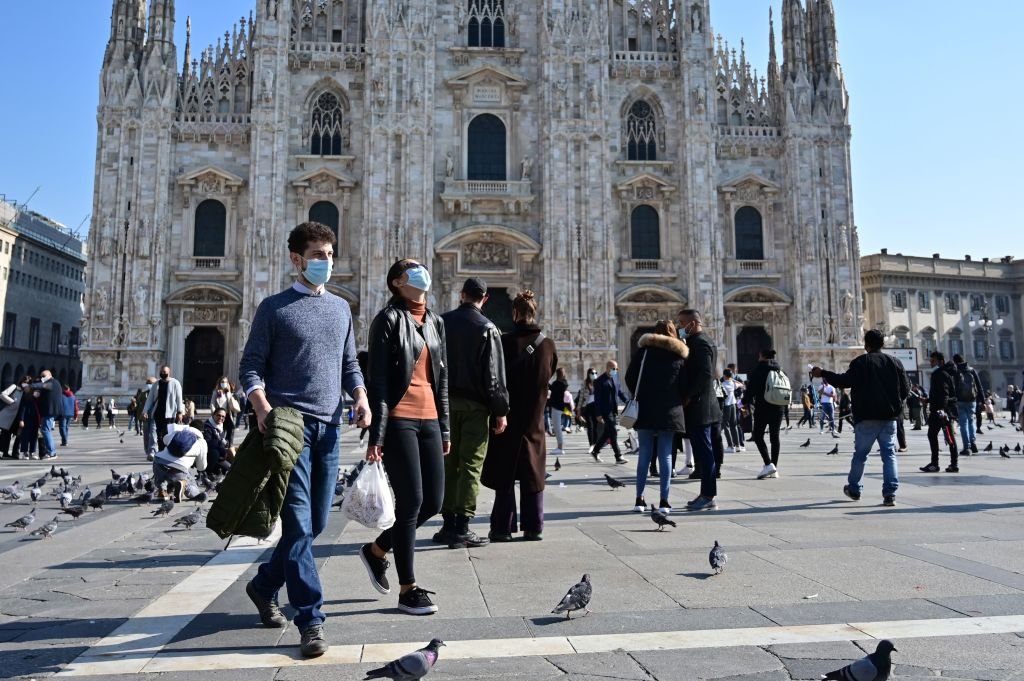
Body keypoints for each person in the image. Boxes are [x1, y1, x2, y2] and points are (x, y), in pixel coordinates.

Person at [239, 221, 369, 657]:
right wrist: (262, 408)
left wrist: (361, 397)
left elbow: (349, 363)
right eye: (317, 255)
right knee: (297, 525)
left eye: (330, 255)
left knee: (313, 524)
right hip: (289, 428)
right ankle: (311, 619)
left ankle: (263, 585)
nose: (325, 262)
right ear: (296, 259)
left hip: (329, 429)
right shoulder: (273, 309)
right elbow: (251, 367)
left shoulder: (340, 309)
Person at [362, 258, 449, 617]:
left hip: (429, 419)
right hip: (399, 420)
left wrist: (445, 426)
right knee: (411, 501)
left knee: (434, 502)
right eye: (411, 270)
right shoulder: (387, 320)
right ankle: (407, 589)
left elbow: (442, 379)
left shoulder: (435, 322)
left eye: (421, 268)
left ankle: (377, 550)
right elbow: (378, 380)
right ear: (397, 282)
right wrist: (376, 436)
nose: (420, 273)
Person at [436, 277, 509, 549]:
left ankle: (446, 524)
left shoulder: (440, 323)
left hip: (444, 407)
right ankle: (462, 526)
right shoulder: (488, 328)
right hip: (476, 408)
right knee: (470, 466)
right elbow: (494, 377)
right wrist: (500, 410)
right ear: (485, 298)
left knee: (448, 464)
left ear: (461, 294)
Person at [482, 290, 557, 541]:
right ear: (534, 312)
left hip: (507, 416)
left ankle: (502, 527)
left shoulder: (503, 343)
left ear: (514, 313)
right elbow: (551, 372)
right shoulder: (547, 344)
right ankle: (534, 526)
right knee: (533, 471)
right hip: (534, 417)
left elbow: (493, 377)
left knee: (505, 472)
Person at [812, 329, 909, 506]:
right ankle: (890, 494)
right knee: (889, 455)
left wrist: (824, 373)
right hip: (889, 417)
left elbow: (844, 381)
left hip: (867, 417)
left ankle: (855, 489)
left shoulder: (861, 362)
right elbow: (905, 390)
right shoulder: (895, 362)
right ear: (883, 344)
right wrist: (894, 405)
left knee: (861, 455)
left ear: (866, 344)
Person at [624, 320, 688, 514]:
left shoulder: (643, 353)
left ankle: (639, 500)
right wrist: (678, 397)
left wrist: (641, 393)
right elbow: (686, 382)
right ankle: (664, 501)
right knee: (666, 454)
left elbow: (629, 377)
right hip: (670, 409)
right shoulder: (678, 355)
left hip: (645, 408)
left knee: (644, 453)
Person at [676, 309, 722, 511]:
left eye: (682, 323)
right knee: (704, 453)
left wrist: (689, 396)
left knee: (704, 453)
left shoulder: (700, 343)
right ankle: (706, 494)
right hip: (705, 405)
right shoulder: (703, 341)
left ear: (692, 324)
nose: (680, 327)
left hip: (700, 407)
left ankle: (708, 495)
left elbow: (704, 374)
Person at [746, 349, 786, 480]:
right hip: (778, 407)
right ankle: (774, 468)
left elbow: (751, 389)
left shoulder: (759, 370)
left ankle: (768, 464)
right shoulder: (780, 370)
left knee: (757, 435)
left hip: (763, 407)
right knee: (775, 437)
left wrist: (743, 402)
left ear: (762, 356)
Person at [920, 351, 960, 473]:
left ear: (940, 361)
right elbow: (942, 393)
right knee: (948, 437)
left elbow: (944, 394)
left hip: (941, 411)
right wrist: (928, 399)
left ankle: (936, 464)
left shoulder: (940, 373)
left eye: (933, 361)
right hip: (945, 409)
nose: (931, 363)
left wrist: (941, 410)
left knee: (937, 436)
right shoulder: (949, 372)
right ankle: (952, 464)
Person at [152, 423, 209, 502]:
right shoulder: (202, 442)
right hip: (179, 467)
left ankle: (163, 489)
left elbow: (165, 439)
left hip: (158, 461)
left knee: (163, 479)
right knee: (191, 484)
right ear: (202, 432)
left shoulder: (177, 433)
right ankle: (183, 483)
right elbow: (201, 467)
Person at [590, 361, 629, 464]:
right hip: (605, 411)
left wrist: (627, 401)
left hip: (613, 411)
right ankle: (618, 456)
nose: (615, 371)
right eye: (613, 368)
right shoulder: (599, 381)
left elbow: (619, 392)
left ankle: (595, 451)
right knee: (613, 432)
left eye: (616, 369)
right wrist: (598, 414)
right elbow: (597, 399)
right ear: (607, 368)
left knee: (608, 433)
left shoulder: (615, 379)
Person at [951, 354, 983, 456]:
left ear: (955, 362)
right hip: (972, 400)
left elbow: (953, 387)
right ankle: (973, 442)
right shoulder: (971, 370)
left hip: (960, 400)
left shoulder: (956, 371)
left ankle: (967, 447)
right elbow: (979, 385)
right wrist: (982, 400)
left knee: (963, 424)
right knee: (971, 421)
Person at [143, 366, 184, 443]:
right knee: (159, 435)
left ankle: (167, 452)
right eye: (161, 372)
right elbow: (150, 399)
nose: (162, 373)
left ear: (169, 372)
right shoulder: (156, 384)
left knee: (168, 434)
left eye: (164, 372)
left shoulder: (175, 383)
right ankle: (161, 452)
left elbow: (179, 398)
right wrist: (145, 411)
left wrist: (180, 412)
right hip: (158, 413)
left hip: (170, 414)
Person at [28, 370, 63, 459]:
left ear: (50, 375)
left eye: (43, 376)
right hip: (51, 411)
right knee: (47, 430)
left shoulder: (52, 383)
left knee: (45, 430)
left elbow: (40, 385)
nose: (42, 378)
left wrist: (29, 385)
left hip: (49, 411)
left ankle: (51, 452)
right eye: (41, 376)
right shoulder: (54, 383)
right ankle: (51, 451)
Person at [201, 407, 234, 476]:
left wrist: (226, 443)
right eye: (218, 415)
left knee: (230, 468)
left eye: (223, 416)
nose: (220, 418)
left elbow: (224, 441)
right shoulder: (207, 426)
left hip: (220, 455)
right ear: (213, 415)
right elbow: (207, 443)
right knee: (215, 453)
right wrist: (221, 443)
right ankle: (206, 473)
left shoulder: (220, 426)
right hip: (209, 456)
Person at [0, 379, 26, 458]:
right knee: (6, 434)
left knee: (19, 435)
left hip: (19, 416)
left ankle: (15, 453)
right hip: (9, 415)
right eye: (25, 382)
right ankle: (4, 452)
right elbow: (2, 394)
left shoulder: (27, 392)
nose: (26, 384)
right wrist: (11, 401)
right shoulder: (14, 387)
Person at [210, 378, 240, 445]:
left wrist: (229, 392)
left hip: (229, 415)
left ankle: (229, 446)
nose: (224, 383)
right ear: (219, 383)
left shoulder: (230, 393)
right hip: (219, 416)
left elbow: (232, 403)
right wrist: (214, 414)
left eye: (226, 382)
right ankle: (221, 446)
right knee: (220, 432)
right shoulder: (216, 392)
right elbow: (212, 404)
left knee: (231, 431)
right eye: (222, 382)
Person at [720, 369, 743, 452]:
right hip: (733, 404)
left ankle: (730, 446)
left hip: (726, 406)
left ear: (724, 375)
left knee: (726, 425)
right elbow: (741, 384)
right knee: (734, 425)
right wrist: (733, 379)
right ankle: (737, 445)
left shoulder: (722, 384)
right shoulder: (733, 383)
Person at [17, 386, 43, 459]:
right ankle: (25, 453)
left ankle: (32, 452)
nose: (37, 393)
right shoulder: (26, 398)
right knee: (25, 437)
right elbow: (22, 409)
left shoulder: (38, 399)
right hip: (27, 420)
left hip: (35, 420)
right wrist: (21, 420)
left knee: (34, 437)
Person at [547, 368, 569, 455]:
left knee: (557, 428)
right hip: (560, 407)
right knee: (557, 427)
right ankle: (560, 446)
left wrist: (546, 381)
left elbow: (552, 389)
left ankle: (560, 447)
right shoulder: (564, 383)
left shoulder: (558, 383)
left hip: (556, 407)